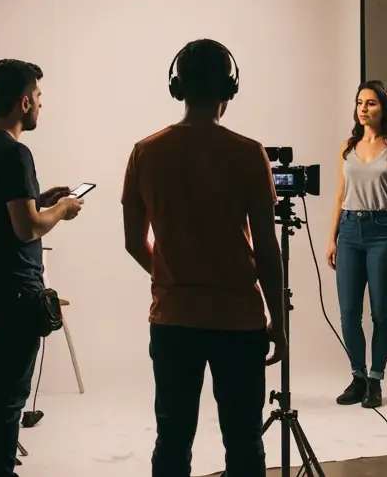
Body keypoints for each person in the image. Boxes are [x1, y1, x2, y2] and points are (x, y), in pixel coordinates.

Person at [121, 39, 286, 477]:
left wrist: (171, 271)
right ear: (228, 90)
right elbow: (267, 248)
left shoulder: (145, 151)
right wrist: (279, 321)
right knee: (245, 441)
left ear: (178, 87)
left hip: (174, 320)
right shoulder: (249, 153)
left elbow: (134, 242)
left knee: (172, 440)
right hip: (239, 321)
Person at [0, 59, 84, 477]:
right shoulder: (15, 153)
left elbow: (5, 213)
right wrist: (62, 209)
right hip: (13, 294)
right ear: (24, 101)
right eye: (39, 99)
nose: (41, 107)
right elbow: (27, 227)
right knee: (9, 400)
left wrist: (41, 197)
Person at [326, 80, 387, 409]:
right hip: (349, 230)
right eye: (360, 102)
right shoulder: (347, 147)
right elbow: (339, 195)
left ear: (384, 107)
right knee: (349, 312)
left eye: (371, 103)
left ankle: (375, 380)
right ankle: (357, 377)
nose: (364, 108)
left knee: (380, 312)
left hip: (383, 231)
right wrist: (332, 238)